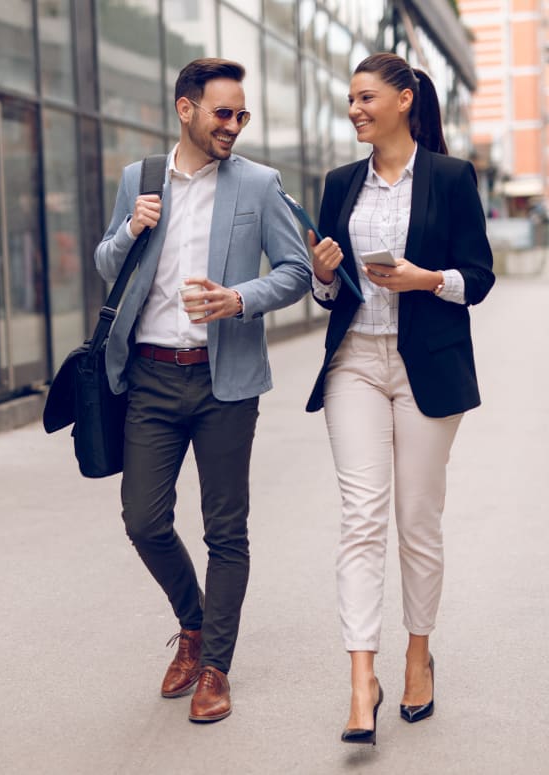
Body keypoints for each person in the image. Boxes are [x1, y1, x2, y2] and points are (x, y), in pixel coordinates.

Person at [94, 58, 310, 723]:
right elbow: (107, 265)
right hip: (152, 377)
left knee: (226, 529)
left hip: (226, 382)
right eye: (224, 113)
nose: (235, 125)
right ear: (186, 109)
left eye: (242, 114)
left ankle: (215, 664)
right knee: (144, 519)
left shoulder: (259, 184)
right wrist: (130, 229)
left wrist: (239, 298)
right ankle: (192, 622)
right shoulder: (139, 179)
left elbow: (297, 270)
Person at [305, 53, 495, 745]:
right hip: (354, 360)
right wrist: (324, 276)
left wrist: (425, 279)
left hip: (427, 369)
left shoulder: (450, 177)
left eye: (365, 97)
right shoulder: (339, 183)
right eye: (350, 100)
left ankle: (418, 653)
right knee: (361, 517)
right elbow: (328, 294)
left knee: (417, 519)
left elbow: (478, 277)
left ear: (405, 99)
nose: (355, 109)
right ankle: (362, 679)